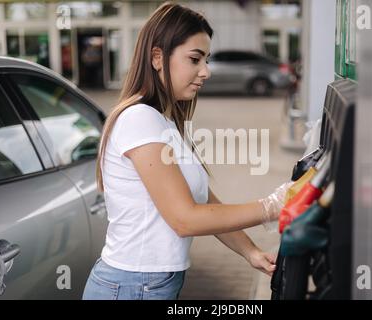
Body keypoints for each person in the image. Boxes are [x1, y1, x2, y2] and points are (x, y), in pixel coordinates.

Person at [82, 2, 291, 300]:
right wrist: (272, 206)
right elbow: (185, 219)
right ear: (157, 57)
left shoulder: (164, 121)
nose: (205, 72)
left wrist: (251, 252)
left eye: (206, 60)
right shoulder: (139, 118)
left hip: (147, 284)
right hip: (130, 286)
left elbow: (202, 199)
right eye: (195, 59)